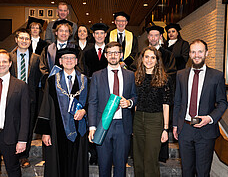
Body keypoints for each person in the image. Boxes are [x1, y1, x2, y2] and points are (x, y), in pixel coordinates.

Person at [173, 39, 228, 176]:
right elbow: (177, 102)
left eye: (200, 51)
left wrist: (209, 118)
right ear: (190, 54)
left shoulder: (217, 76)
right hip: (185, 129)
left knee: (203, 172)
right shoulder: (180, 75)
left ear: (206, 53)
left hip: (206, 130)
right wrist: (175, 125)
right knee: (186, 171)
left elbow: (222, 103)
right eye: (193, 52)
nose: (196, 55)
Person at [35, 48, 89, 177]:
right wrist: (45, 132)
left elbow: (91, 101)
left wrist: (84, 111)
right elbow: (45, 106)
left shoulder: (85, 80)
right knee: (58, 163)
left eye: (72, 58)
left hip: (79, 129)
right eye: (65, 58)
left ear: (76, 61)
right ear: (60, 61)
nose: (69, 60)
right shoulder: (52, 81)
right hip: (56, 129)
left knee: (77, 163)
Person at [88, 41, 137, 177]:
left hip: (123, 125)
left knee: (121, 166)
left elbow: (135, 96)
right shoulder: (97, 76)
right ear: (105, 55)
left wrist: (129, 102)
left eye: (116, 52)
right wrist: (92, 127)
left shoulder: (130, 75)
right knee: (103, 165)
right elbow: (92, 102)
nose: (113, 55)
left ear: (121, 55)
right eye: (110, 53)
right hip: (102, 125)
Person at [133, 46, 172, 177]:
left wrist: (165, 129)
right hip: (138, 119)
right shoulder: (136, 77)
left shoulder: (164, 79)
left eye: (153, 57)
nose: (149, 60)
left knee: (150, 159)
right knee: (138, 159)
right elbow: (135, 103)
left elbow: (166, 105)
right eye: (147, 57)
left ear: (157, 60)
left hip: (155, 121)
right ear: (142, 59)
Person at [9, 28, 41, 168]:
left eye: (27, 39)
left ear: (30, 41)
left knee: (27, 128)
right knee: (11, 127)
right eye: (21, 38)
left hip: (30, 99)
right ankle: (11, 155)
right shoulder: (9, 58)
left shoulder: (36, 58)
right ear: (16, 40)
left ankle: (23, 156)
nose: (24, 41)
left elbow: (39, 80)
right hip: (11, 99)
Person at [146, 25, 176, 162]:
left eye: (156, 35)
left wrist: (157, 79)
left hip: (161, 93)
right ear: (148, 38)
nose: (153, 38)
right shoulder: (143, 53)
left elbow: (171, 72)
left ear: (160, 37)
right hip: (146, 96)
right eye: (151, 35)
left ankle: (160, 156)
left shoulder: (168, 54)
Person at [40, 19, 77, 87]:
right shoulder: (47, 49)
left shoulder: (75, 49)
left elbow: (79, 67)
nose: (64, 33)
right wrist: (50, 79)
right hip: (51, 85)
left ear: (69, 33)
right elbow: (43, 67)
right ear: (56, 33)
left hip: (70, 84)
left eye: (66, 31)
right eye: (61, 31)